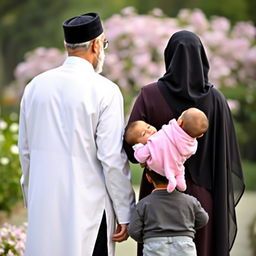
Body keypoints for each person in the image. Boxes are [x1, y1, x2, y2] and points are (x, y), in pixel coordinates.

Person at [18, 12, 135, 256]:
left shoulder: (34, 87)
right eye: (104, 43)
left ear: (66, 46)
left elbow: (25, 154)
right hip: (89, 211)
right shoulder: (105, 91)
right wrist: (125, 212)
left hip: (44, 207)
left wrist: (34, 202)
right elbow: (112, 159)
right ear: (96, 44)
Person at [124, 30, 245, 256]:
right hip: (201, 201)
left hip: (158, 196)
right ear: (202, 58)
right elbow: (224, 155)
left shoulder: (149, 95)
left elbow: (130, 148)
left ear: (168, 57)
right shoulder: (216, 100)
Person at [125, 108, 209, 192]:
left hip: (165, 168)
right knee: (179, 168)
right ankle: (178, 181)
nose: (149, 130)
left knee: (175, 169)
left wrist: (138, 149)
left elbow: (140, 156)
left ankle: (175, 181)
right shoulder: (191, 144)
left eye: (148, 126)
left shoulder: (156, 139)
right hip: (171, 165)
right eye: (144, 134)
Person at [128, 169, 209, 256]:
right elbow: (203, 219)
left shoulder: (144, 203)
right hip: (184, 244)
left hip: (154, 245)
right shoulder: (190, 201)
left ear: (149, 178)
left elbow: (133, 230)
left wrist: (148, 237)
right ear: (177, 176)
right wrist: (187, 229)